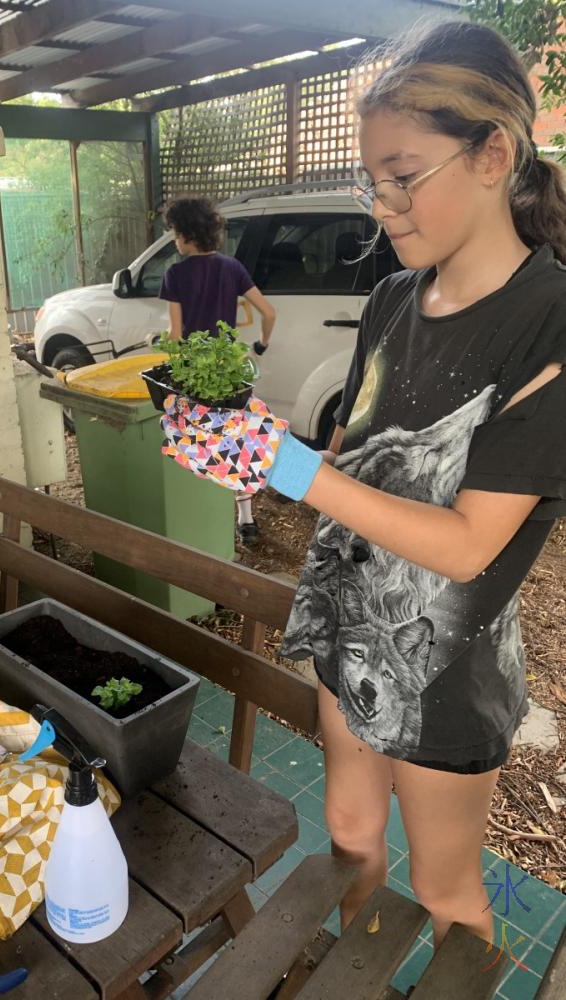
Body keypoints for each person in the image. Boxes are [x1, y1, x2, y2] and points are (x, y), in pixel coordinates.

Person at [160, 20, 566, 953]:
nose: (383, 206)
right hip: (348, 628)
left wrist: (290, 466)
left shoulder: (547, 323)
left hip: (445, 669)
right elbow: (348, 468)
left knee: (446, 891)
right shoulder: (391, 297)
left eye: (404, 174)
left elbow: (468, 543)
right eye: (369, 181)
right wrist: (243, 449)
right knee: (349, 839)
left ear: (494, 152)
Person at [160, 195, 277, 544]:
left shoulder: (175, 275)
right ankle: (246, 520)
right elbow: (269, 313)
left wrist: (172, 365)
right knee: (235, 440)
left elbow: (176, 335)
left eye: (175, 233)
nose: (175, 240)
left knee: (198, 442)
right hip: (229, 371)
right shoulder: (232, 268)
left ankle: (203, 522)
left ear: (185, 234)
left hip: (196, 374)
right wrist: (260, 346)